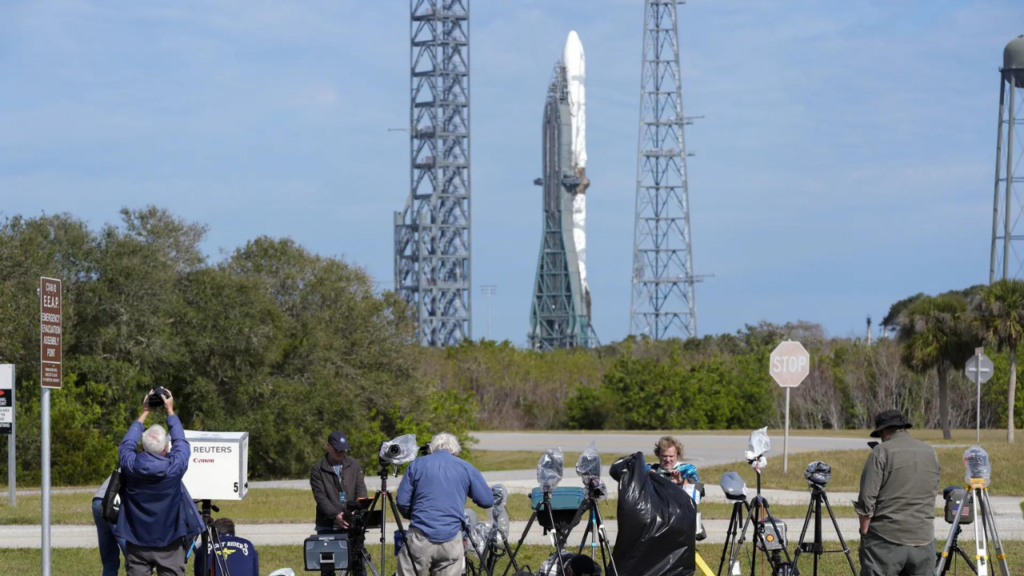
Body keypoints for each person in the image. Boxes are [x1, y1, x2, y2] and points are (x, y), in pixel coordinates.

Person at [115, 388, 205, 576]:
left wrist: (145, 411)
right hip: (169, 542)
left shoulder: (130, 466)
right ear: (166, 448)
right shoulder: (173, 469)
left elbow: (126, 445)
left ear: (141, 447)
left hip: (137, 540)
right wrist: (170, 411)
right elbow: (181, 442)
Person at [854, 409, 941, 576]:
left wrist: (864, 534)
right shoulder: (931, 452)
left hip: (885, 540)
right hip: (924, 539)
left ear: (883, 431)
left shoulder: (881, 452)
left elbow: (866, 499)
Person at [396, 432, 494, 576]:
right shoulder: (466, 467)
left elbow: (402, 501)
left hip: (420, 536)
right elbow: (487, 500)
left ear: (432, 448)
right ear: (455, 449)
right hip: (452, 538)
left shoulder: (416, 464)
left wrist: (413, 515)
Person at [310, 430, 368, 534]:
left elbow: (361, 489)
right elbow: (320, 497)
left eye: (343, 450)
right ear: (328, 446)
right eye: (337, 450)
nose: (340, 453)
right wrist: (335, 515)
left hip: (352, 525)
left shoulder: (354, 464)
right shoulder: (318, 469)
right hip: (328, 527)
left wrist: (357, 511)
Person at [194, 518, 259, 576]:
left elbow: (197, 573)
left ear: (213, 534)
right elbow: (255, 573)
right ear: (233, 533)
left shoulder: (203, 548)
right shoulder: (247, 545)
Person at [92, 473, 126, 576]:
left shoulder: (129, 459)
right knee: (135, 559)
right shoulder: (153, 463)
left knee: (109, 562)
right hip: (114, 502)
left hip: (98, 500)